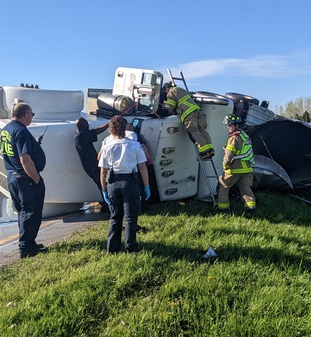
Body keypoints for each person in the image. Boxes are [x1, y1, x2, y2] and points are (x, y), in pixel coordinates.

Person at [0, 102, 47, 258]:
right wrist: (36, 179)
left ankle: (29, 242)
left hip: (13, 176)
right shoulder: (21, 131)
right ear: (26, 115)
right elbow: (24, 158)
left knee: (23, 212)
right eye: (31, 115)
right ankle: (26, 248)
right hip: (25, 178)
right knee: (31, 212)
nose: (32, 118)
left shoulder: (6, 130)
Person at [98, 115, 151, 253]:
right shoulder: (134, 145)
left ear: (111, 130)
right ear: (125, 128)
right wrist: (146, 186)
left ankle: (112, 249)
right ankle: (130, 248)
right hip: (130, 182)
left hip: (113, 182)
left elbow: (103, 172)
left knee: (115, 217)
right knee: (130, 218)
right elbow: (143, 167)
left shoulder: (107, 146)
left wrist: (104, 190)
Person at [216, 114, 256, 218]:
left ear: (236, 125)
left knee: (224, 185)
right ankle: (250, 208)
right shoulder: (244, 136)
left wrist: (225, 166)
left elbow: (229, 155)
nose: (228, 127)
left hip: (236, 168)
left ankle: (223, 209)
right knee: (245, 188)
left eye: (230, 125)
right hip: (247, 168)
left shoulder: (233, 138)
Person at [162, 82, 214, 159]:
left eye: (165, 91)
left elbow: (170, 106)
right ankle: (210, 150)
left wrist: (164, 104)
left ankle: (204, 152)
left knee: (194, 132)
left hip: (189, 114)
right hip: (197, 111)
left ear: (167, 88)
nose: (166, 93)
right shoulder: (180, 89)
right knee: (202, 131)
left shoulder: (171, 92)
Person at [74, 118, 109, 199]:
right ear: (82, 126)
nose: (88, 126)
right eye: (87, 125)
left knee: (101, 184)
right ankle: (108, 204)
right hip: (92, 166)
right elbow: (97, 130)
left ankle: (106, 203)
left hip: (90, 166)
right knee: (103, 184)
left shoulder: (80, 136)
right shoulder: (81, 136)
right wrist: (108, 125)